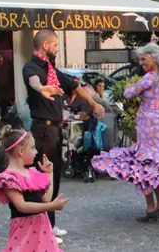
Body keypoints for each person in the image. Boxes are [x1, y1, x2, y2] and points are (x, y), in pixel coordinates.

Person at [93, 42, 159, 221]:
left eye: (143, 59)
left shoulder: (149, 77)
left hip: (147, 122)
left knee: (144, 164)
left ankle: (151, 207)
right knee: (155, 163)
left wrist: (130, 86)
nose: (141, 63)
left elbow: (129, 94)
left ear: (154, 58)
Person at [22, 29, 104, 243]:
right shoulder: (31, 67)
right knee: (43, 178)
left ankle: (50, 222)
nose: (57, 49)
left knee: (54, 177)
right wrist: (42, 89)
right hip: (43, 129)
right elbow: (33, 81)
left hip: (54, 129)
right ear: (45, 45)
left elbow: (74, 84)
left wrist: (93, 103)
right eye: (56, 45)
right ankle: (42, 227)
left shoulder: (51, 69)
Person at [0, 128, 69, 252]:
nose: (36, 151)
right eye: (32, 148)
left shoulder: (31, 173)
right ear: (21, 151)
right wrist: (51, 206)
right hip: (24, 229)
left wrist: (49, 174)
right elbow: (22, 206)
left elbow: (45, 199)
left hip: (41, 227)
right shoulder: (9, 178)